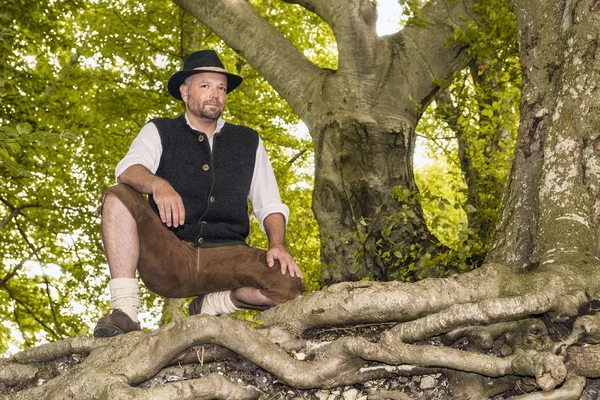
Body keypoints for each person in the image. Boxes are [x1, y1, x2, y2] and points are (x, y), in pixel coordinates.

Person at [93, 50, 304, 337]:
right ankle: (125, 311)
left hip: (228, 256)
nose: (215, 94)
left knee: (288, 285)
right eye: (205, 86)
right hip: (171, 254)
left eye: (221, 88)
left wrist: (277, 244)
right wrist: (158, 184)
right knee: (118, 195)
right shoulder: (160, 130)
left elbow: (269, 203)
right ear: (185, 91)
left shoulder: (247, 140)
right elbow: (128, 169)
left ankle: (215, 302)